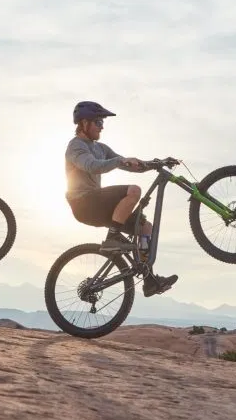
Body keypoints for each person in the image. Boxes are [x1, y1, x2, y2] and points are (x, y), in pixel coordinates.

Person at [64, 101, 179, 297]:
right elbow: (92, 166)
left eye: (102, 122)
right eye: (98, 122)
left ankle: (149, 279)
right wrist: (118, 161)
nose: (102, 126)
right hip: (83, 203)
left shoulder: (100, 147)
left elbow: (130, 165)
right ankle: (113, 237)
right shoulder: (76, 147)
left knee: (145, 229)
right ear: (84, 123)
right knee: (133, 191)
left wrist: (156, 163)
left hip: (99, 206)